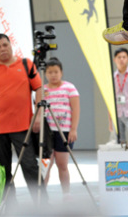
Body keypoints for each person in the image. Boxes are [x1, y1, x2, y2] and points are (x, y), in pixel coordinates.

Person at [0, 33, 45, 203]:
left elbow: (39, 88)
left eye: (5, 45)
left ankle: (42, 205)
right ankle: (10, 208)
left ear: (10, 45)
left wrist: (38, 115)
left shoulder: (26, 64)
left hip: (22, 127)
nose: (2, 49)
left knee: (30, 166)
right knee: (2, 170)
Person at [42, 58, 80, 195]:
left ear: (61, 72)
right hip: (46, 132)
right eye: (50, 72)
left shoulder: (69, 88)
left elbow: (76, 109)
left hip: (64, 131)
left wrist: (73, 129)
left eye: (56, 72)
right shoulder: (43, 90)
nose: (53, 75)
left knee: (62, 165)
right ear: (45, 74)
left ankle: (66, 195)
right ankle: (42, 197)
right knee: (46, 165)